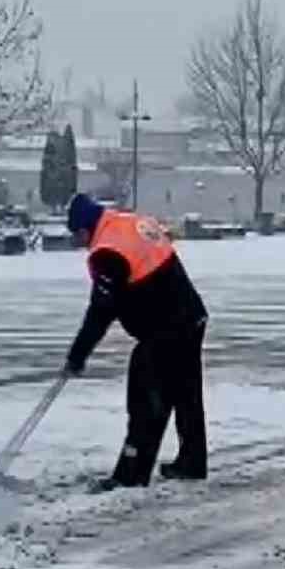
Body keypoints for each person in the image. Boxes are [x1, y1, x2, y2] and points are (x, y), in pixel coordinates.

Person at [62, 193, 210, 492]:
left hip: (166, 328)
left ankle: (131, 474)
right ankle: (192, 463)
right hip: (191, 316)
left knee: (145, 397)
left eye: (77, 234)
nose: (78, 242)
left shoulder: (108, 250)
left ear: (85, 227)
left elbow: (102, 310)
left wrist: (77, 356)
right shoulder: (127, 222)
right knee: (185, 393)